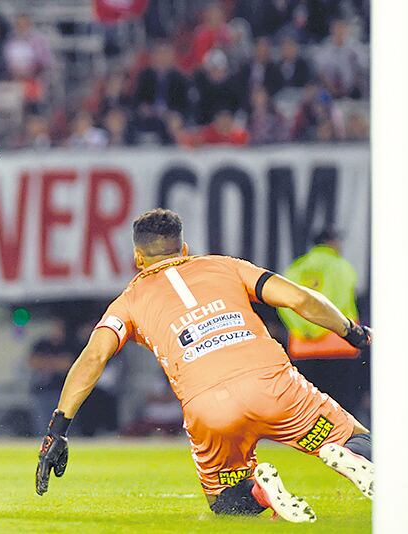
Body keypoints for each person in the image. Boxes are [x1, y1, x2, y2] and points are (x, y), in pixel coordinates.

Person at [35, 208, 374, 523]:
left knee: (224, 500)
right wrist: (352, 332)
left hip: (209, 407)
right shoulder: (225, 266)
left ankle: (260, 489)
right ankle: (346, 454)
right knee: (355, 438)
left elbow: (93, 358)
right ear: (183, 248)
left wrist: (57, 431)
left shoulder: (128, 302)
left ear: (138, 258)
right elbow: (299, 298)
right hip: (272, 385)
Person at [278, 228, 364, 413]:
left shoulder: (296, 268)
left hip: (303, 349)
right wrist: (324, 328)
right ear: (331, 242)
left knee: (311, 409)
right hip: (339, 346)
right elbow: (339, 301)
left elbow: (284, 305)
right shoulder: (340, 266)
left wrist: (306, 329)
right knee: (343, 409)